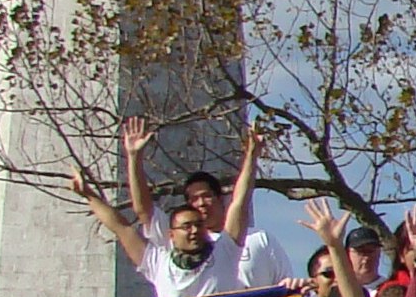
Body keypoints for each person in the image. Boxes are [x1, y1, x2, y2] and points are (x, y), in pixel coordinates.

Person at [69, 124, 266, 297]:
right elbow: (122, 227)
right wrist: (89, 194)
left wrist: (251, 156)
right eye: (186, 226)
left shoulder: (225, 251)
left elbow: (240, 200)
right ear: (171, 234)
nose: (194, 231)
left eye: (198, 225)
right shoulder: (158, 263)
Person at [120, 116, 292, 286]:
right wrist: (134, 157)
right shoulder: (179, 242)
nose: (201, 203)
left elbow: (241, 199)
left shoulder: (259, 239)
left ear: (220, 199)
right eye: (194, 199)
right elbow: (144, 210)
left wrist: (252, 157)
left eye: (206, 196)